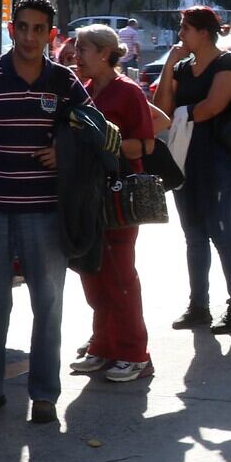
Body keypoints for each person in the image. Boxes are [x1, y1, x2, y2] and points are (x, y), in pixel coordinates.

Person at [0, 0, 88, 426]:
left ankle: (45, 395)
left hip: (46, 212)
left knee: (48, 305)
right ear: (11, 28)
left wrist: (63, 149)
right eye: (22, 26)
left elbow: (93, 130)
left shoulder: (64, 80)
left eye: (38, 29)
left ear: (51, 34)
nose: (29, 36)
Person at [65, 24, 163, 382]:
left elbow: (146, 146)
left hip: (119, 195)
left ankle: (134, 352)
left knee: (120, 275)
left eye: (83, 48)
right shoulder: (84, 91)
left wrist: (103, 143)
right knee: (93, 271)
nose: (76, 54)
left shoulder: (128, 92)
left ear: (104, 53)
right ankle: (103, 345)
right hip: (88, 195)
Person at [152, 5, 231, 334]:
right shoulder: (182, 67)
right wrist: (169, 63)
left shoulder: (229, 63)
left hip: (222, 164)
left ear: (204, 32)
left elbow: (212, 107)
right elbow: (163, 108)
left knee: (222, 233)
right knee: (194, 236)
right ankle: (199, 306)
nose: (180, 34)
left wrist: (182, 112)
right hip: (187, 162)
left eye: (185, 28)